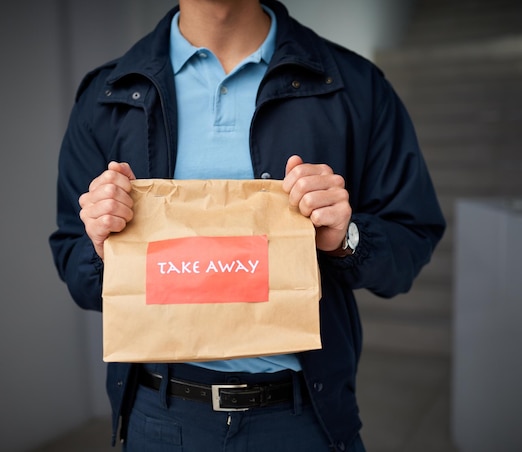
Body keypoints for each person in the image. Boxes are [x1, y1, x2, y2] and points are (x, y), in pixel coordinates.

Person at [49, 0, 446, 450]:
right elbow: (74, 264)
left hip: (305, 420)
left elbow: (411, 241)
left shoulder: (354, 86)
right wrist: (101, 246)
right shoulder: (107, 95)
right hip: (160, 419)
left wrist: (345, 237)